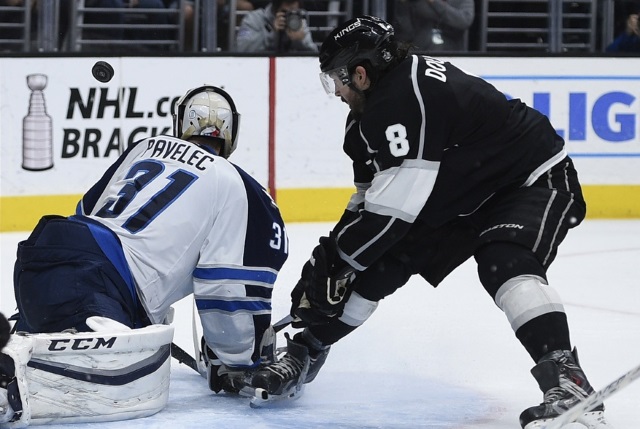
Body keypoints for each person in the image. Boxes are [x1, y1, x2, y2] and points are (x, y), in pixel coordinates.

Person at [250, 15, 613, 429]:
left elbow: (391, 214)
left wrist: (335, 260)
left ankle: (568, 381)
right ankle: (306, 349)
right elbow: (370, 201)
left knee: (504, 259)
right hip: (460, 196)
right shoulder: (370, 116)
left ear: (362, 73)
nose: (337, 92)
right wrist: (335, 257)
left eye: (338, 79)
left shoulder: (403, 101)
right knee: (377, 266)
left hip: (529, 179)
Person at [2, 85, 288, 425]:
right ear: (231, 133)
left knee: (26, 337)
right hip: (99, 285)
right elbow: (227, 287)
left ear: (181, 122)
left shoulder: (144, 147)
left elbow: (87, 210)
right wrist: (240, 361)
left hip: (46, 250)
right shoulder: (235, 183)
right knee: (110, 372)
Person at [235, 0, 317, 53]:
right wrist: (272, 34)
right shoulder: (253, 18)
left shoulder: (297, 19)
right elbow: (242, 50)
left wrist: (300, 41)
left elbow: (313, 55)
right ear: (274, 9)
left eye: (293, 11)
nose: (289, 15)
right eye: (285, 12)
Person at [392, 0, 474, 52]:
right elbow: (405, 35)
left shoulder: (461, 1)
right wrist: (402, 5)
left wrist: (435, 2)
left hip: (455, 56)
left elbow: (464, 21)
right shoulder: (416, 3)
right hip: (422, 55)